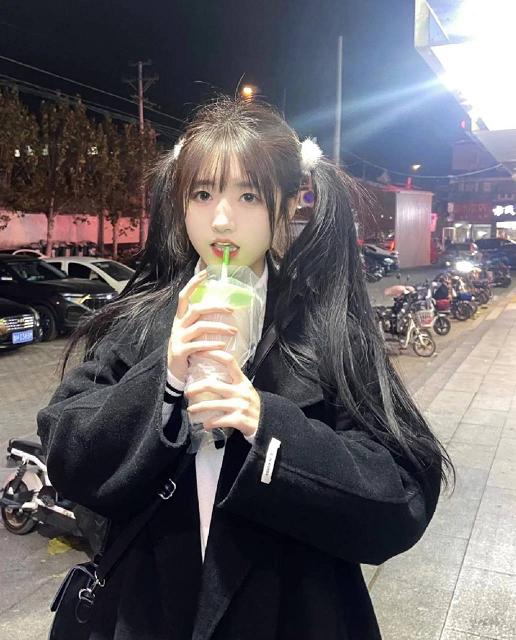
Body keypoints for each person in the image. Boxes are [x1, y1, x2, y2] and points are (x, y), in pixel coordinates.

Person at [38, 97, 453, 640]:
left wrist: (266, 425)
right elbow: (67, 457)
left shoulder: (327, 329)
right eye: (202, 194)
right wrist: (165, 378)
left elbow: (402, 500)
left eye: (249, 195)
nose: (222, 218)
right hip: (147, 612)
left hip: (290, 615)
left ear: (289, 202)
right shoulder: (138, 321)